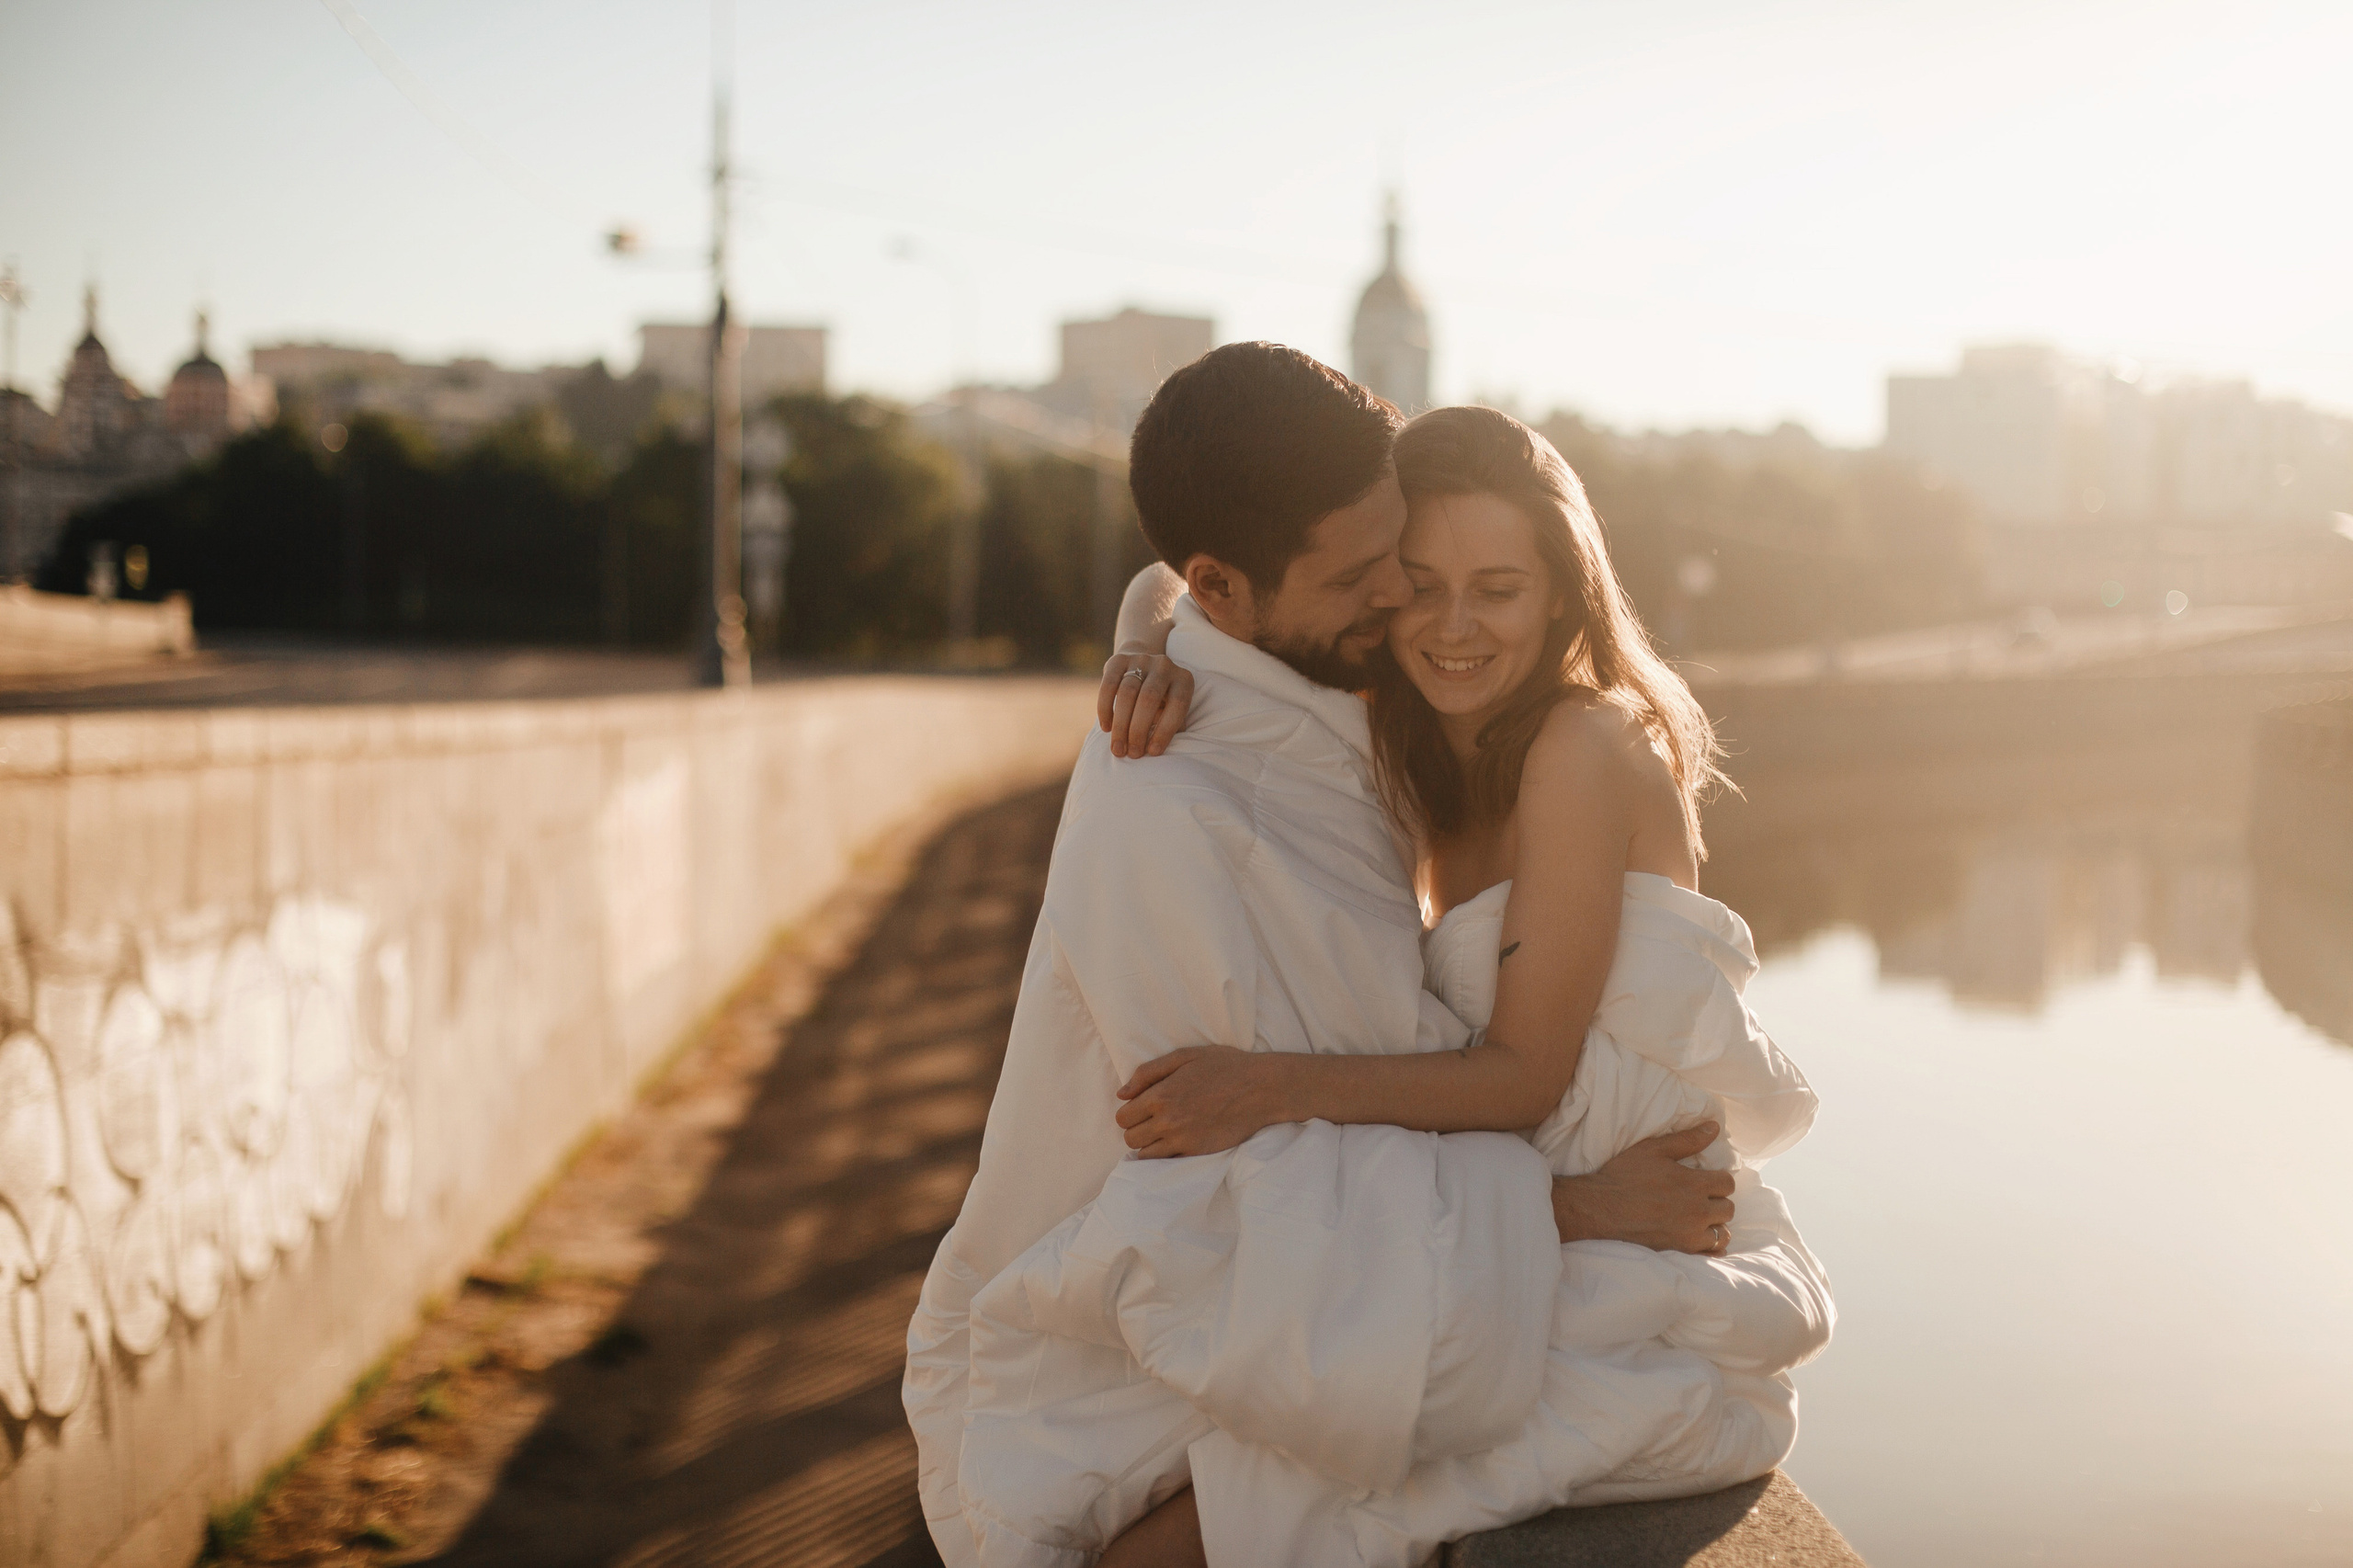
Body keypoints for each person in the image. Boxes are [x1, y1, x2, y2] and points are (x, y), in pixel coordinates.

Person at [904, 347, 1824, 1568]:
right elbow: (1200, 577)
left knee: (1223, 1516)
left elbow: (1526, 1076)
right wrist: (1148, 635)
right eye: (1403, 575)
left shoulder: (1580, 749)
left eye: (1497, 586)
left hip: (1621, 1240)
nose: (1429, 612)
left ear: (1563, 591)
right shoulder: (1396, 712)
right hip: (1491, 1228)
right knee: (1200, 1475)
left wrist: (1268, 1083)